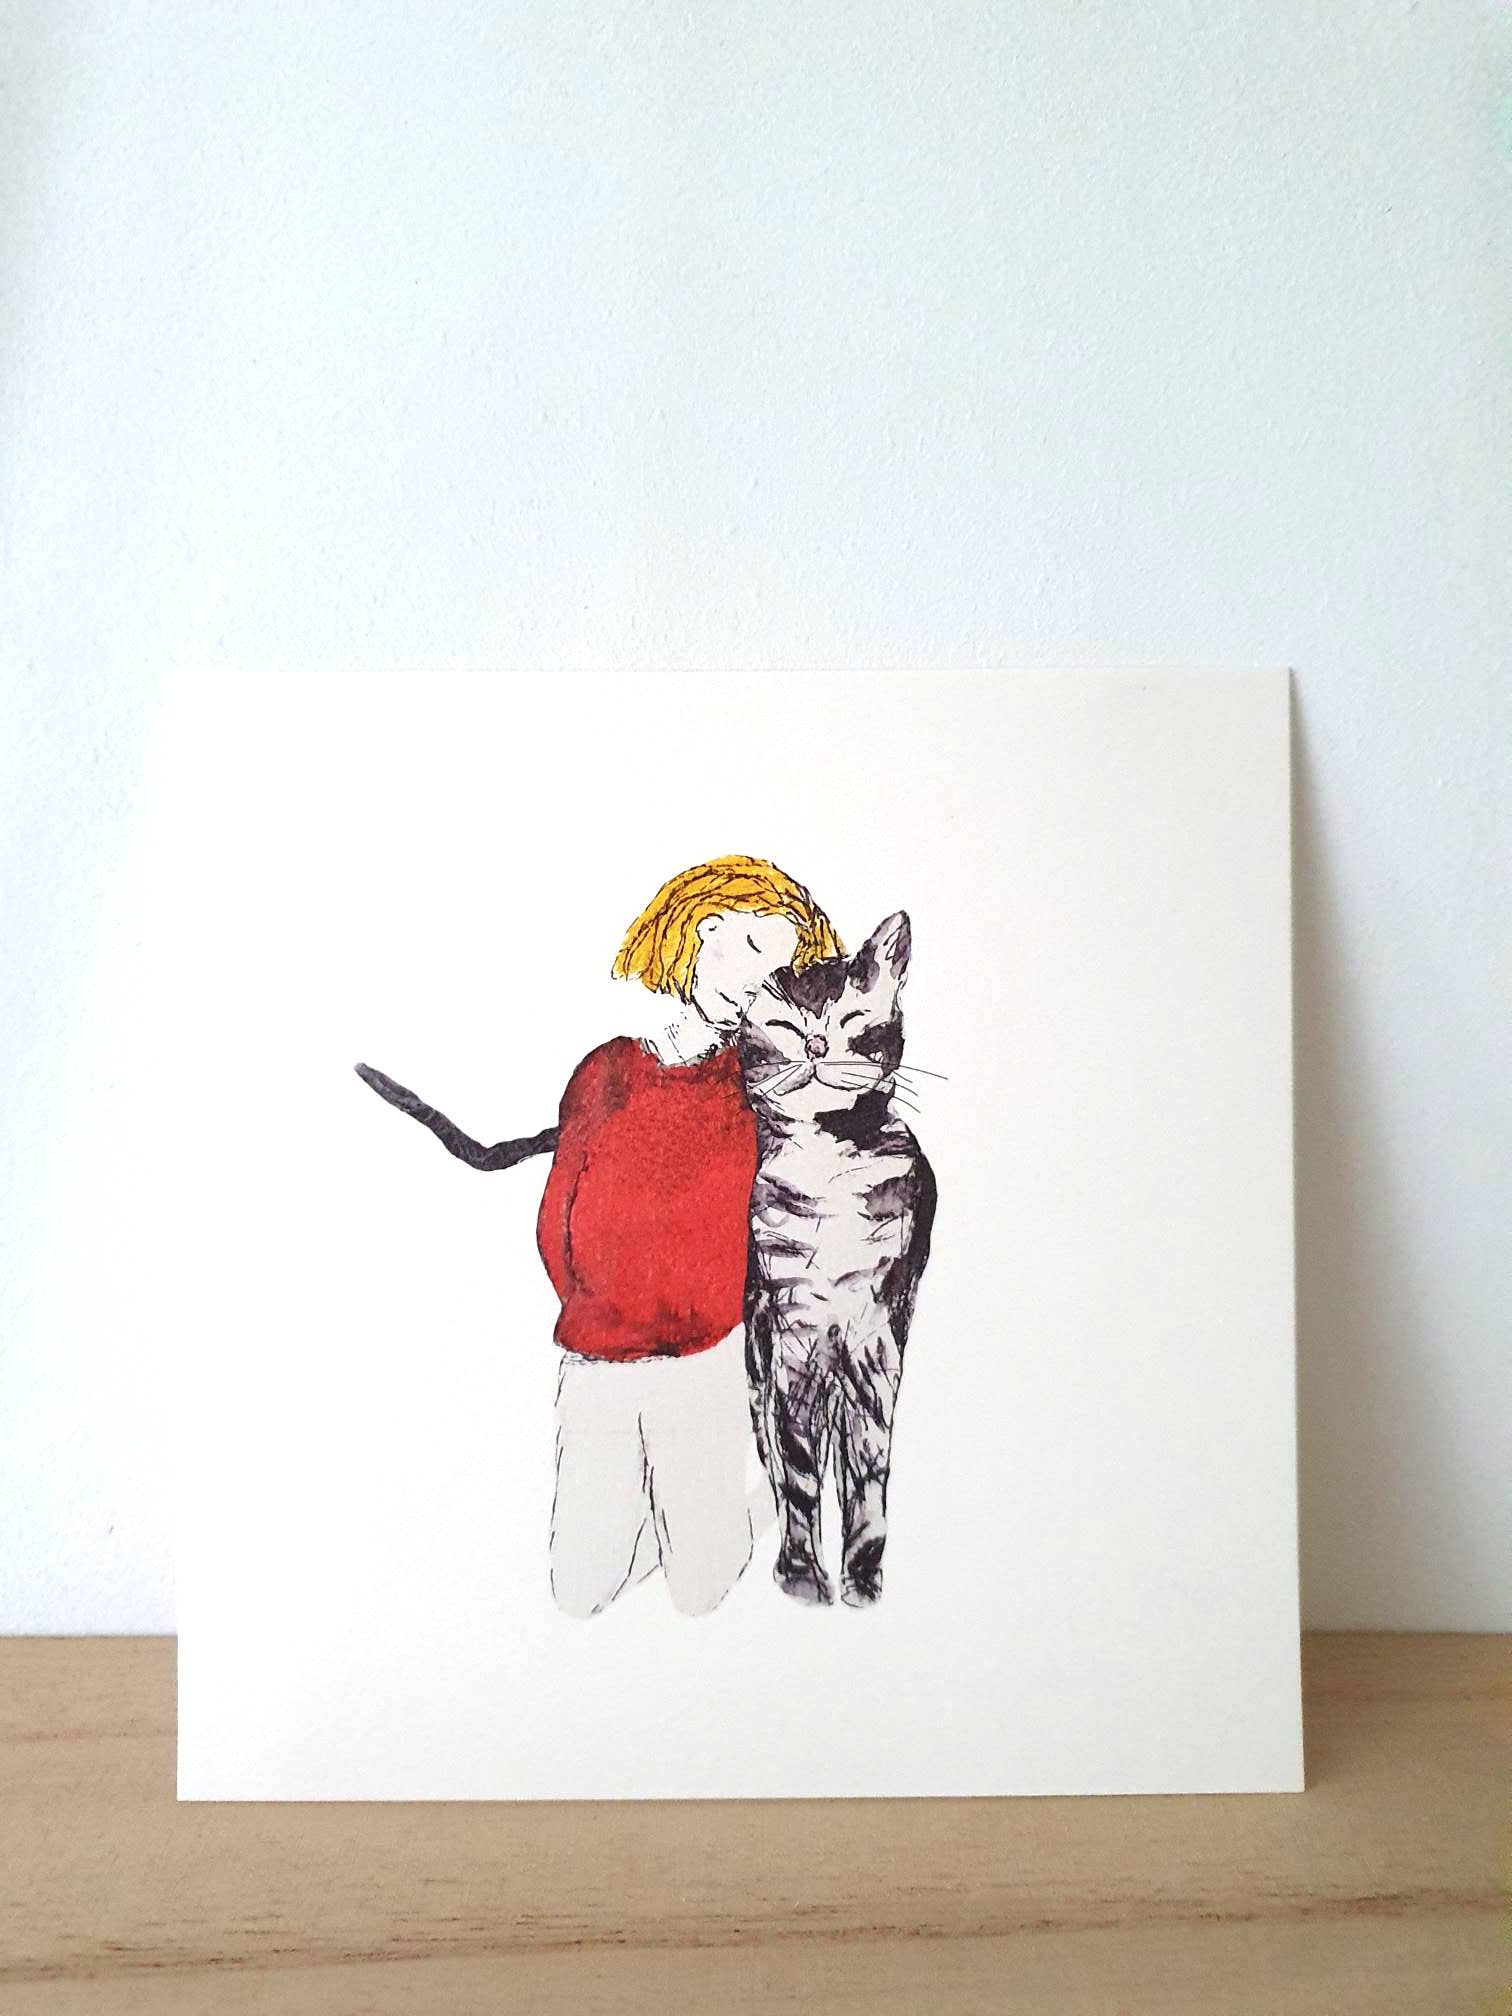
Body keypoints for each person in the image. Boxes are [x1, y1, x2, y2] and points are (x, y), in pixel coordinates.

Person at [539, 855, 840, 1617]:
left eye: (780, 972)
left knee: (703, 1586)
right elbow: (557, 1214)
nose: (757, 978)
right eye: (750, 946)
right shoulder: (608, 1070)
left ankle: (766, 1499)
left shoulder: (763, 1088)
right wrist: (595, 1306)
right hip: (596, 1362)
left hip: (707, 1362)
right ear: (700, 931)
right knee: (579, 1589)